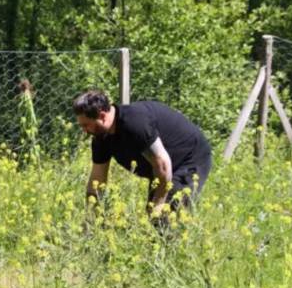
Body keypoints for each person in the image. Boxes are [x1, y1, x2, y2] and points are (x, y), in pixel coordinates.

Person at [72, 90, 212, 223]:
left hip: (188, 158)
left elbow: (162, 163)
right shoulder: (101, 137)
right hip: (161, 169)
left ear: (102, 116)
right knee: (154, 218)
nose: (84, 131)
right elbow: (97, 179)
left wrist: (157, 204)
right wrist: (90, 218)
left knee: (165, 215)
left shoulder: (134, 124)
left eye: (86, 125)